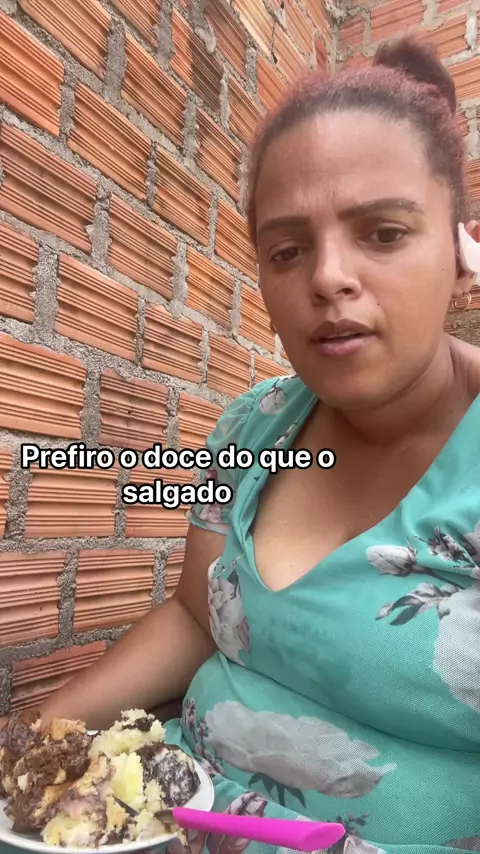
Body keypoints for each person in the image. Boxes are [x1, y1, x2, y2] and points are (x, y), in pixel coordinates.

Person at [4, 35, 480, 854]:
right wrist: (29, 742)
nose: (327, 276)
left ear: (462, 252)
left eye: (384, 233)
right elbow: (196, 615)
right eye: (286, 250)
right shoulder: (254, 424)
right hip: (158, 817)